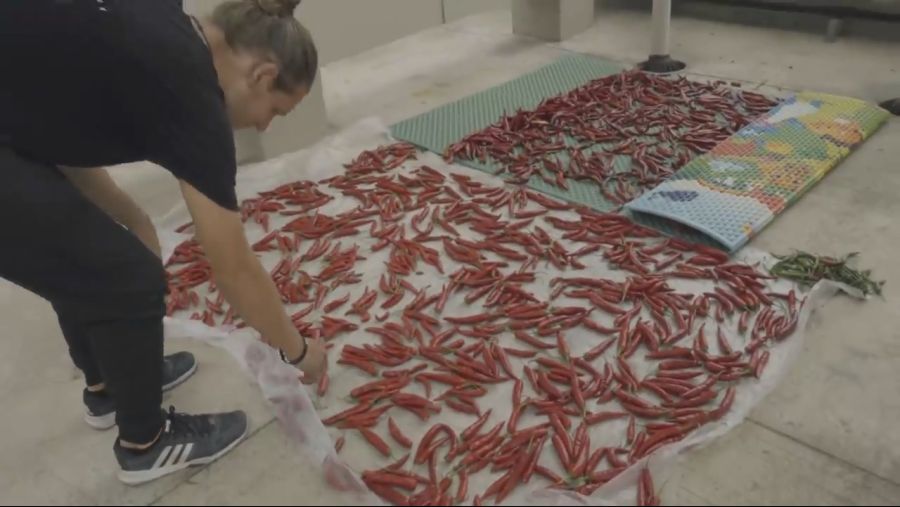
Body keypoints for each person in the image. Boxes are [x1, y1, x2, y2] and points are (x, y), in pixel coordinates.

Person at [0, 0, 327, 485]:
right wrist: (298, 351)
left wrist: (132, 217)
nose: (264, 126)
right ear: (261, 74)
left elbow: (60, 131)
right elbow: (233, 266)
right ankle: (145, 444)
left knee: (84, 251)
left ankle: (109, 387)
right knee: (126, 276)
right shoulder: (193, 93)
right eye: (275, 111)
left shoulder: (163, 24)